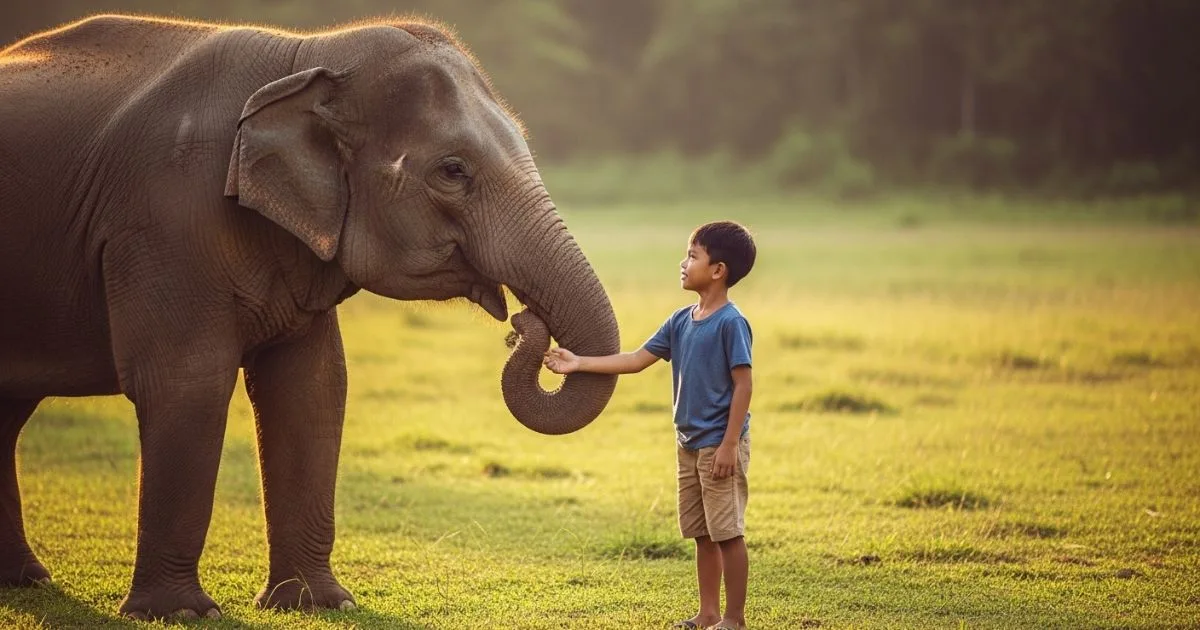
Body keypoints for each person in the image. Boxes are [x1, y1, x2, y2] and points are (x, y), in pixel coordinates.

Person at [544, 220, 756, 630]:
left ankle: (734, 618)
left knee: (727, 532)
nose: (683, 263)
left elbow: (744, 386)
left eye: (693, 256)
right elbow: (637, 359)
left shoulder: (731, 323)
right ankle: (707, 613)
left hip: (719, 444)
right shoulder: (680, 320)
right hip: (689, 442)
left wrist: (731, 444)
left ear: (718, 270)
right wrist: (579, 362)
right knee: (701, 533)